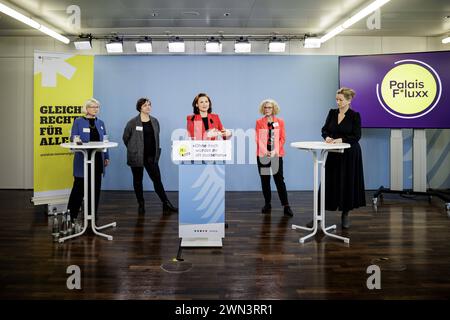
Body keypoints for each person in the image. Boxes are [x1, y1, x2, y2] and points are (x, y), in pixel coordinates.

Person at [318, 87, 366, 229]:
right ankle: (318, 218)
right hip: (333, 153)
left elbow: (357, 136)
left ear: (349, 100)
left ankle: (345, 215)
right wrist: (326, 137)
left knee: (347, 183)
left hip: (350, 154)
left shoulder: (355, 115)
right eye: (336, 99)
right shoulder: (332, 113)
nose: (338, 102)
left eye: (341, 100)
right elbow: (324, 129)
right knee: (327, 182)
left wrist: (341, 139)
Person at [123, 98, 178, 214]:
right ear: (140, 108)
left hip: (151, 156)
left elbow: (156, 137)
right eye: (145, 105)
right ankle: (141, 204)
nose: (148, 107)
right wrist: (134, 148)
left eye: (149, 105)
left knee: (157, 180)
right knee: (138, 181)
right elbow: (125, 138)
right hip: (137, 156)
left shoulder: (154, 121)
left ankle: (166, 204)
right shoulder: (132, 122)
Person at [67, 98, 110, 222]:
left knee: (95, 188)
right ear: (86, 108)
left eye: (97, 107)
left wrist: (106, 157)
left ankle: (92, 214)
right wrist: (78, 141)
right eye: (92, 107)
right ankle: (71, 216)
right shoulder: (78, 122)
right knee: (78, 188)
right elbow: (73, 138)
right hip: (83, 159)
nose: (95, 109)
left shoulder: (101, 123)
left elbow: (105, 141)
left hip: (97, 158)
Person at [255, 99, 294, 217]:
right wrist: (265, 151)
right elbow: (257, 138)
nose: (267, 109)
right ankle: (267, 203)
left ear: (274, 109)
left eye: (269, 107)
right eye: (265, 107)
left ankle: (286, 205)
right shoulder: (259, 122)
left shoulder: (280, 122)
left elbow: (283, 138)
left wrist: (275, 151)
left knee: (279, 180)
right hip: (263, 155)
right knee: (265, 180)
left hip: (276, 154)